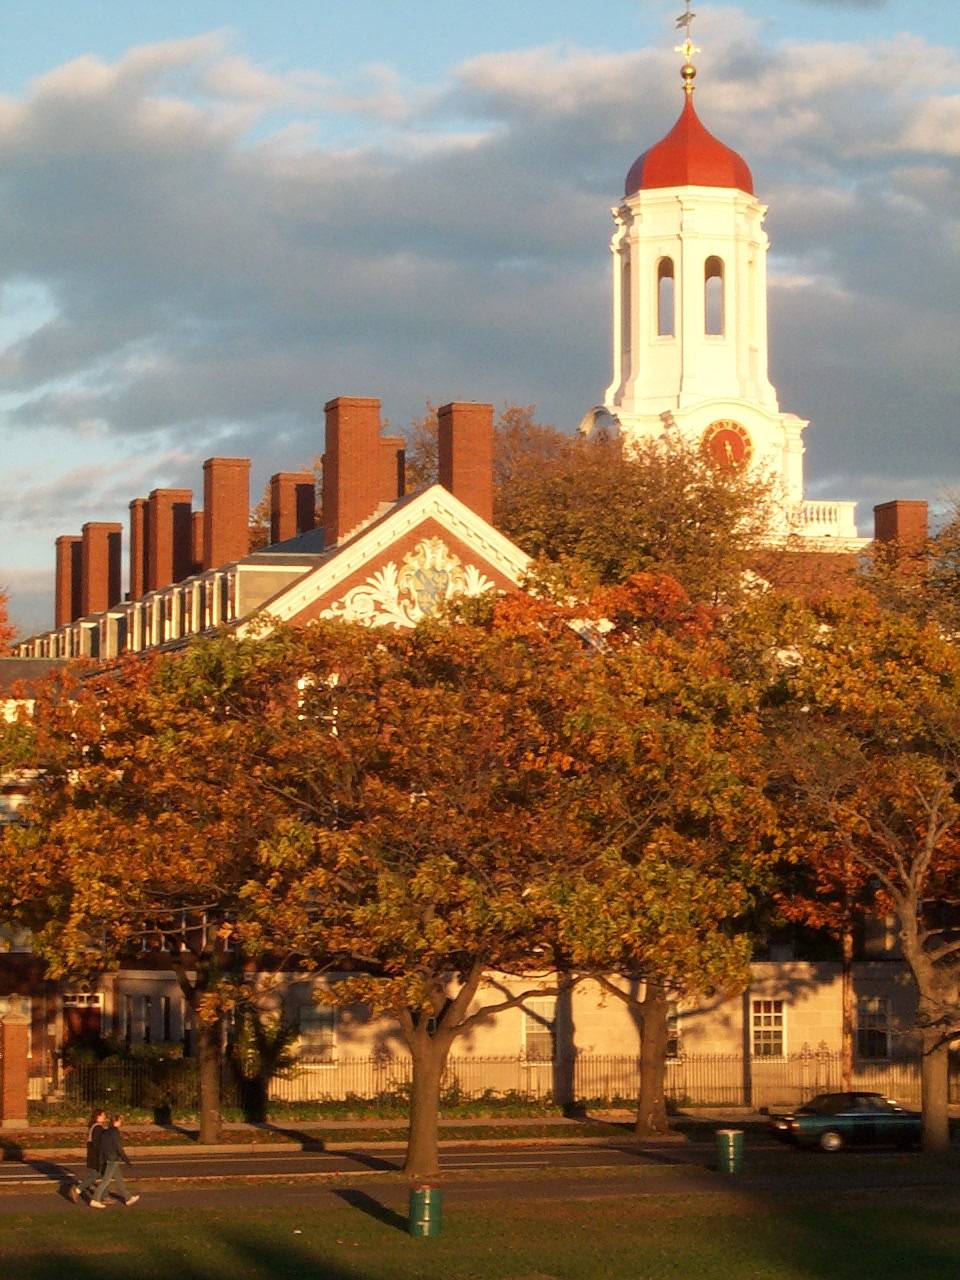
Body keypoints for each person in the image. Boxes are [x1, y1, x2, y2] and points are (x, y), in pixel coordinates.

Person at [88, 1115, 140, 1208]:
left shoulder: (106, 1131)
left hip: (108, 1158)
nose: (121, 1123)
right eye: (120, 1121)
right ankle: (95, 1199)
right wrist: (126, 1160)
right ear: (116, 1122)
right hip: (113, 1159)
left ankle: (128, 1198)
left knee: (119, 1180)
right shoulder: (115, 1131)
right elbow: (118, 1147)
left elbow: (103, 1146)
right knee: (106, 1181)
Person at [70, 1107, 107, 1203]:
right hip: (96, 1156)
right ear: (98, 1116)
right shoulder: (98, 1127)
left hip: (95, 1155)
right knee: (96, 1175)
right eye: (103, 1115)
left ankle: (105, 1196)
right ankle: (78, 1189)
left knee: (102, 1175)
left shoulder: (95, 1126)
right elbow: (97, 1143)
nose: (105, 1117)